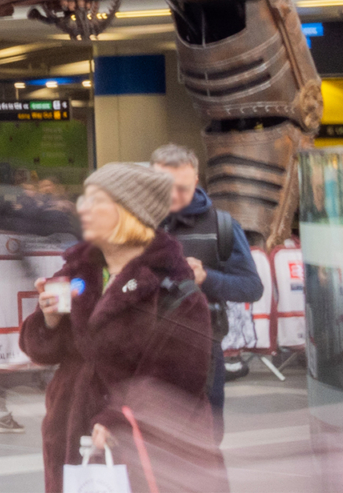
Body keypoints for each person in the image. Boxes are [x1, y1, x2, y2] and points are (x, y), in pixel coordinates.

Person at [20, 163, 225, 493]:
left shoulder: (172, 284)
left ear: (130, 212)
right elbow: (40, 350)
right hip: (72, 436)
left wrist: (117, 420)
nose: (82, 207)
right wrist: (49, 321)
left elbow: (178, 376)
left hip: (148, 448)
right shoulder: (77, 271)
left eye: (97, 200)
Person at [152, 143, 264, 441]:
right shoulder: (136, 224)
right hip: (145, 345)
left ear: (196, 183)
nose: (174, 197)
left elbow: (252, 288)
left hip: (202, 347)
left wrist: (206, 278)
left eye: (183, 189)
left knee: (205, 440)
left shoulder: (221, 226)